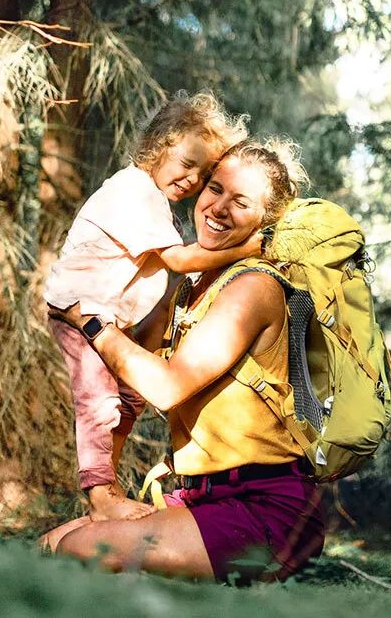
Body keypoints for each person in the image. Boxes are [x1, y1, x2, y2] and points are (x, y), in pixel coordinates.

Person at [43, 139, 326, 585]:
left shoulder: (253, 287)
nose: (218, 207)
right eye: (215, 189)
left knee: (79, 550)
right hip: (203, 500)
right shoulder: (191, 290)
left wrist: (90, 321)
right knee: (53, 543)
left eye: (241, 202)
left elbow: (167, 386)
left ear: (264, 222)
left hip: (266, 510)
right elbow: (133, 375)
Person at [45, 92, 261, 521]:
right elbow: (180, 260)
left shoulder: (155, 201)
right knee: (98, 400)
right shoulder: (133, 191)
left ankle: (109, 482)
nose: (191, 180)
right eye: (187, 164)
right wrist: (247, 250)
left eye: (202, 175)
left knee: (129, 397)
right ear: (159, 146)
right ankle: (100, 492)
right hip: (78, 308)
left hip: (107, 316)